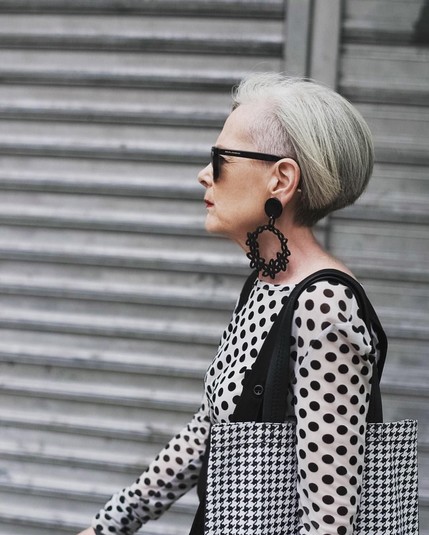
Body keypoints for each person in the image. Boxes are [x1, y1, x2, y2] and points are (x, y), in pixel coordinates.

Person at [78, 72, 379, 535]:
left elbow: (329, 518)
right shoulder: (266, 283)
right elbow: (211, 429)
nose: (204, 174)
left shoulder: (324, 306)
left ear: (281, 179)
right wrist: (110, 524)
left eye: (220, 159)